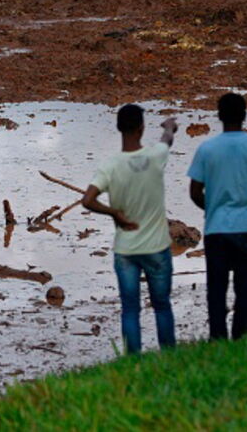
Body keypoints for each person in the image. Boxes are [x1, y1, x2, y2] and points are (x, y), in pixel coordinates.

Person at [82, 104, 178, 353]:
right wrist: (169, 126)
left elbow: (88, 200)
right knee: (162, 306)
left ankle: (133, 361)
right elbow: (167, 139)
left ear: (118, 128)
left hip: (125, 250)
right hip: (157, 247)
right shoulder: (156, 155)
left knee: (130, 309)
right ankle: (170, 357)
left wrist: (114, 213)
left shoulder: (110, 166)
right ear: (141, 128)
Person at [187, 93, 247, 340]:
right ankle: (242, 339)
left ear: (219, 116)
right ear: (245, 115)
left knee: (216, 289)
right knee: (245, 289)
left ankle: (218, 339)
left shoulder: (207, 149)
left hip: (216, 230)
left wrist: (212, 208)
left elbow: (195, 192)